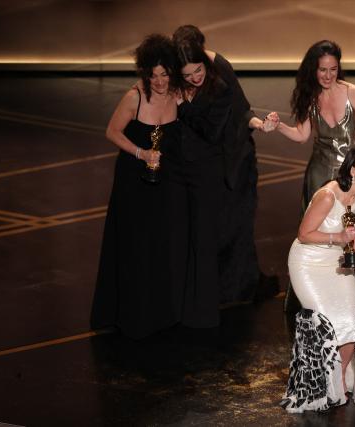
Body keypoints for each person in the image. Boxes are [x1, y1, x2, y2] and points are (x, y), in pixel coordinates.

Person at [264, 40, 355, 310]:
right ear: (313, 70)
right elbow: (302, 135)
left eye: (333, 69)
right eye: (322, 70)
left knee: (350, 233)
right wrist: (279, 126)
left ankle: (350, 299)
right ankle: (313, 297)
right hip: (319, 175)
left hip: (350, 175)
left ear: (339, 68)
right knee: (317, 233)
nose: (327, 76)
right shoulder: (309, 96)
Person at [172, 25, 278, 304]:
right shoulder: (176, 76)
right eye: (188, 73)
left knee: (235, 224)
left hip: (234, 159)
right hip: (201, 164)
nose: (195, 77)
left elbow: (241, 108)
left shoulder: (218, 67)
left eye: (198, 69)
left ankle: (238, 286)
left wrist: (259, 124)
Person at [90, 34, 181, 339]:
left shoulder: (179, 96)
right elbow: (112, 132)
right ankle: (130, 313)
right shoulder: (134, 97)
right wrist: (142, 153)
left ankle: (162, 310)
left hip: (166, 181)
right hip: (133, 179)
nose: (158, 82)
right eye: (152, 75)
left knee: (162, 244)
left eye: (164, 74)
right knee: (134, 244)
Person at [281, 146, 355, 413]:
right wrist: (337, 239)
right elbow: (304, 234)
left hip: (339, 262)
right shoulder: (328, 196)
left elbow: (354, 236)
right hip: (309, 263)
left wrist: (354, 255)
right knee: (325, 323)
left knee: (349, 321)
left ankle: (337, 380)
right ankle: (319, 385)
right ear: (353, 170)